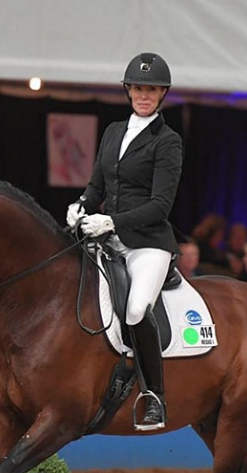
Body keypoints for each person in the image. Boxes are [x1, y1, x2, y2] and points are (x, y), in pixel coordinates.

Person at [66, 52, 183, 430]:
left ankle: (154, 397)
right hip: (107, 237)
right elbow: (97, 184)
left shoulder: (167, 141)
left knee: (134, 311)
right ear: (128, 90)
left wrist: (111, 221)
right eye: (137, 88)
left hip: (148, 244)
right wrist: (81, 205)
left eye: (151, 89)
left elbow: (160, 206)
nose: (143, 95)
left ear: (162, 93)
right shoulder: (114, 131)